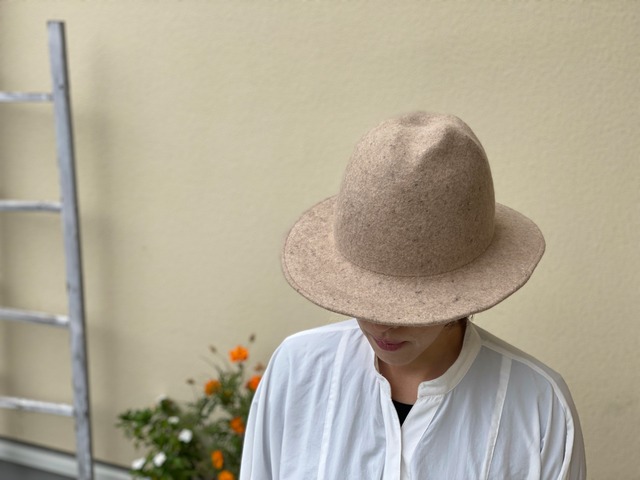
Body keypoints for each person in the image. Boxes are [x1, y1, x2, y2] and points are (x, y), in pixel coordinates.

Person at [240, 112, 586, 479]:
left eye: (410, 304)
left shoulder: (537, 407)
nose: (382, 325)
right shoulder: (299, 369)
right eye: (364, 296)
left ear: (464, 289)